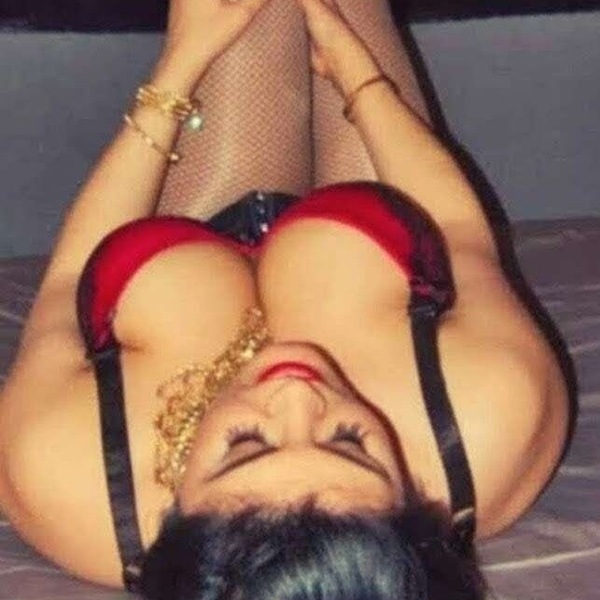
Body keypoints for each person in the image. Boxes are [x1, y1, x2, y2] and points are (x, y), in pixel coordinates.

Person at [0, 0, 569, 597]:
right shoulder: (490, 414)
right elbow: (457, 230)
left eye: (245, 445)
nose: (296, 392)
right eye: (350, 442)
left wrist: (180, 65)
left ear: (172, 516)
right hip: (365, 246)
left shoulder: (60, 471)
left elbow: (69, 278)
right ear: (410, 505)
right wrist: (357, 74)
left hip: (196, 226)